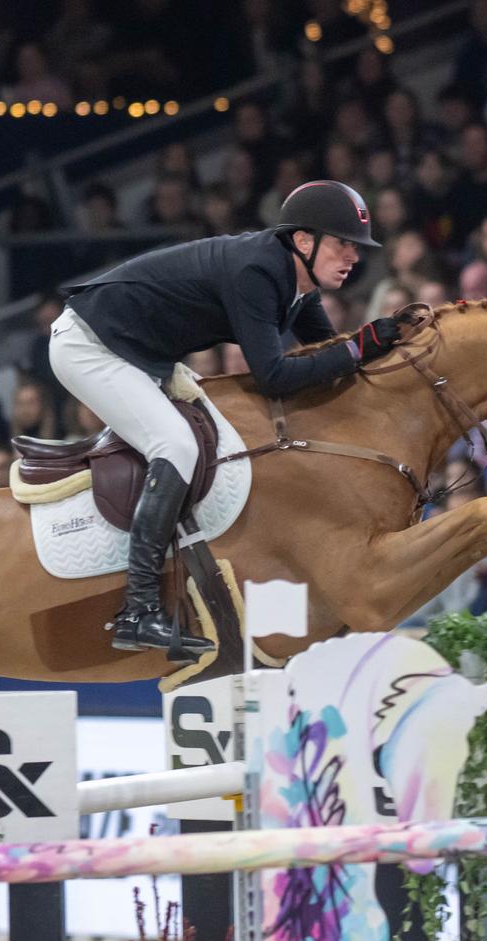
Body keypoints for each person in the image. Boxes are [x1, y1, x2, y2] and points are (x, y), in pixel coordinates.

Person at [54, 180, 390, 653]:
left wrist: (386, 344)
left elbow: (335, 354)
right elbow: (273, 375)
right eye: (343, 244)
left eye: (356, 247)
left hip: (140, 353)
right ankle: (138, 609)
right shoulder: (257, 270)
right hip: (91, 346)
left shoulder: (297, 282)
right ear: (303, 240)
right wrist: (359, 348)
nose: (354, 257)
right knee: (176, 445)